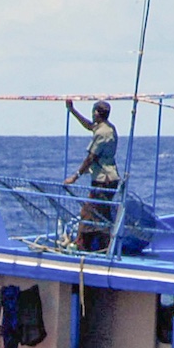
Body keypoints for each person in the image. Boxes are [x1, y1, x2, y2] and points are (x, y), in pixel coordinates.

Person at [64, 100, 121, 251]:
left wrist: (75, 176)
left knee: (89, 213)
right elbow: (90, 126)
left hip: (104, 180)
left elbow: (91, 158)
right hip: (108, 179)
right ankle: (102, 247)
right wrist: (73, 110)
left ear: (97, 113)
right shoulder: (107, 128)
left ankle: (83, 246)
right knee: (101, 215)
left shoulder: (103, 133)